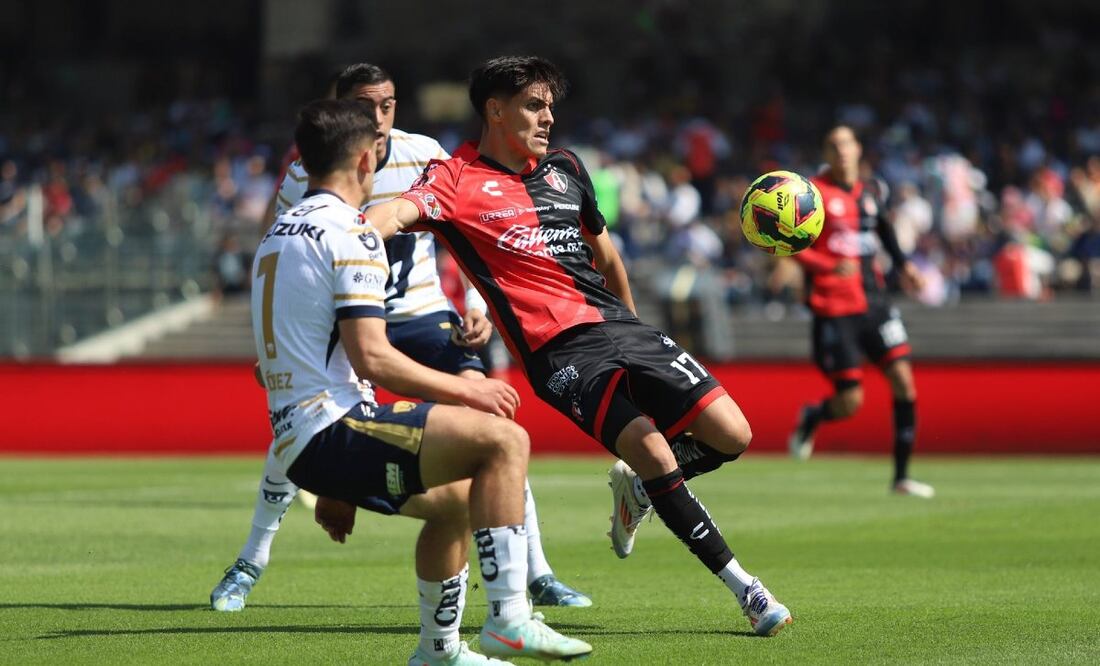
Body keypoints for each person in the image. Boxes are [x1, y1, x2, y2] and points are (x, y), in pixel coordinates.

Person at [364, 55, 792, 637]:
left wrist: (641, 342)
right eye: (534, 106)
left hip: (623, 329)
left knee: (733, 435)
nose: (548, 118)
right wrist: (349, 229)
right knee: (658, 453)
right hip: (559, 353)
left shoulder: (566, 167)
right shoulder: (455, 179)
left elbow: (609, 259)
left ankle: (638, 489)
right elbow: (394, 212)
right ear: (495, 109)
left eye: (550, 107)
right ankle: (748, 591)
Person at [211, 63, 590, 614]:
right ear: (343, 113)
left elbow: (474, 224)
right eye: (366, 106)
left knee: (494, 426)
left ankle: (537, 572)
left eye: (387, 104)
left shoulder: (423, 153)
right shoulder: (306, 179)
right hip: (351, 323)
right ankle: (251, 558)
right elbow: (294, 270)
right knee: (313, 410)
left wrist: (478, 304)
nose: (379, 117)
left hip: (422, 312)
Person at [788, 125, 935, 498]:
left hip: (876, 303)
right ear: (826, 151)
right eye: (833, 145)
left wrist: (906, 267)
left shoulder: (871, 190)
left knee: (904, 380)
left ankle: (901, 476)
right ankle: (814, 417)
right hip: (834, 307)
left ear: (857, 150)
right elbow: (790, 244)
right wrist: (826, 266)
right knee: (850, 402)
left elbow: (884, 230)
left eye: (846, 144)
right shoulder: (811, 195)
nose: (841, 151)